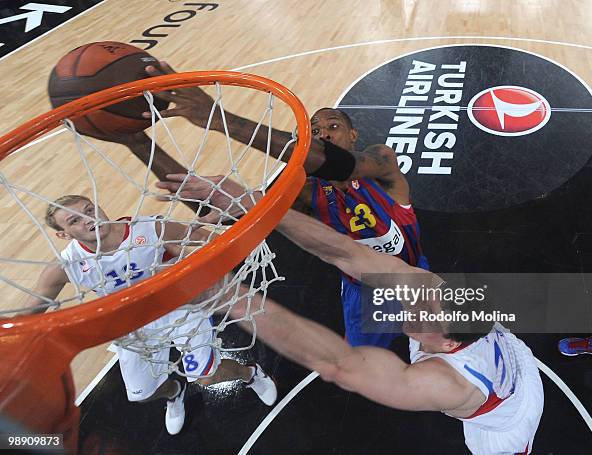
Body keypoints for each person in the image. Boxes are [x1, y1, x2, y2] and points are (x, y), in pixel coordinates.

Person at [157, 177, 545, 454]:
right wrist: (257, 205)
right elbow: (344, 252)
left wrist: (227, 295)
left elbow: (338, 365)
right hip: (510, 357)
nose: (412, 301)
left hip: (505, 419)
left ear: (447, 342)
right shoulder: (429, 288)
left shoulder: (444, 384)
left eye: (425, 311)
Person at [146, 62, 428, 348]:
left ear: (353, 134)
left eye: (333, 126)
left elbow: (337, 164)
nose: (324, 134)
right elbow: (223, 211)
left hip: (416, 275)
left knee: (454, 358)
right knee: (366, 365)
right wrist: (138, 143)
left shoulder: (381, 161)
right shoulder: (305, 191)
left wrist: (218, 119)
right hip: (364, 292)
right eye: (314, 131)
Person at [26, 194, 277, 435]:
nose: (88, 219)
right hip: (133, 323)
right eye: (74, 221)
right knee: (143, 393)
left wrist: (190, 264)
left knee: (207, 377)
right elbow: (30, 310)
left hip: (178, 306)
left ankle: (249, 374)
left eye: (88, 210)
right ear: (63, 234)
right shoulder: (66, 264)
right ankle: (174, 392)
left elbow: (209, 239)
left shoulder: (149, 228)